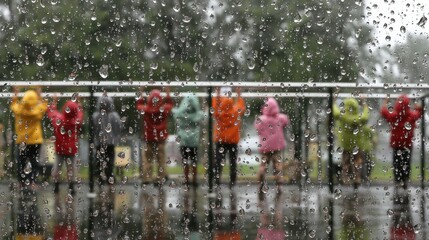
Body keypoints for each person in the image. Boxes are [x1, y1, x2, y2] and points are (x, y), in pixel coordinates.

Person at [381, 95, 422, 189]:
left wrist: (386, 101)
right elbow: (419, 111)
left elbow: (383, 112)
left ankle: (397, 180)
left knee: (397, 163)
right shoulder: (411, 116)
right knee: (407, 163)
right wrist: (415, 103)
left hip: (396, 144)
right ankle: (405, 180)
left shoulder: (394, 116)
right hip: (407, 144)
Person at [10, 86, 47, 190]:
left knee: (21, 161)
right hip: (36, 140)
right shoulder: (37, 111)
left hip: (22, 140)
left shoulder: (19, 110)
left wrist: (15, 94)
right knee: (34, 162)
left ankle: (21, 182)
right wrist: (39, 95)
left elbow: (13, 105)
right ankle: (32, 182)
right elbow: (44, 106)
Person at [136, 87, 173, 186]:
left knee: (147, 158)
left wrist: (141, 92)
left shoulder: (146, 109)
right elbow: (170, 104)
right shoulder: (164, 109)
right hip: (161, 138)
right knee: (161, 159)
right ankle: (160, 178)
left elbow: (139, 105)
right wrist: (168, 93)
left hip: (149, 137)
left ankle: (147, 177)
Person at [47, 95, 84, 195]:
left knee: (57, 167)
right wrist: (79, 103)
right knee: (71, 168)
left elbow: (51, 112)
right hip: (71, 149)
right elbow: (80, 114)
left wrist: (54, 101)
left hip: (60, 148)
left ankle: (56, 187)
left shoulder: (58, 120)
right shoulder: (76, 122)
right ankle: (71, 188)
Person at [212, 87, 245, 189]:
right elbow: (241, 105)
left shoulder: (218, 113)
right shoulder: (235, 111)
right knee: (232, 162)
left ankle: (216, 181)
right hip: (233, 141)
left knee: (218, 161)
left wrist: (217, 94)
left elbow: (214, 105)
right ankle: (232, 183)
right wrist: (239, 94)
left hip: (220, 140)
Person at [254, 97, 289, 195]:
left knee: (263, 165)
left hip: (265, 146)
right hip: (277, 145)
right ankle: (279, 185)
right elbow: (286, 121)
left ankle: (260, 184)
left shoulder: (261, 119)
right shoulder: (280, 118)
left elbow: (257, 128)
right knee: (277, 165)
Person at [333, 97, 369, 188]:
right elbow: (366, 116)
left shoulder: (342, 116)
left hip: (345, 144)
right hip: (357, 143)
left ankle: (345, 177)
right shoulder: (359, 118)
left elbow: (335, 112)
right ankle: (357, 178)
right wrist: (364, 104)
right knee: (357, 162)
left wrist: (333, 101)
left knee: (345, 162)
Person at [172, 95, 203, 188]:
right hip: (194, 141)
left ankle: (186, 180)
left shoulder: (180, 115)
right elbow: (202, 116)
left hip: (184, 140)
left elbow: (175, 113)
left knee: (185, 161)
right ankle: (194, 180)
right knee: (194, 161)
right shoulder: (197, 115)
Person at [92, 94, 123, 186]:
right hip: (111, 142)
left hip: (100, 142)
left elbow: (94, 129)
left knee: (100, 160)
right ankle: (109, 177)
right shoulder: (114, 116)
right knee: (110, 160)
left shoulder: (96, 116)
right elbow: (119, 128)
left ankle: (101, 178)